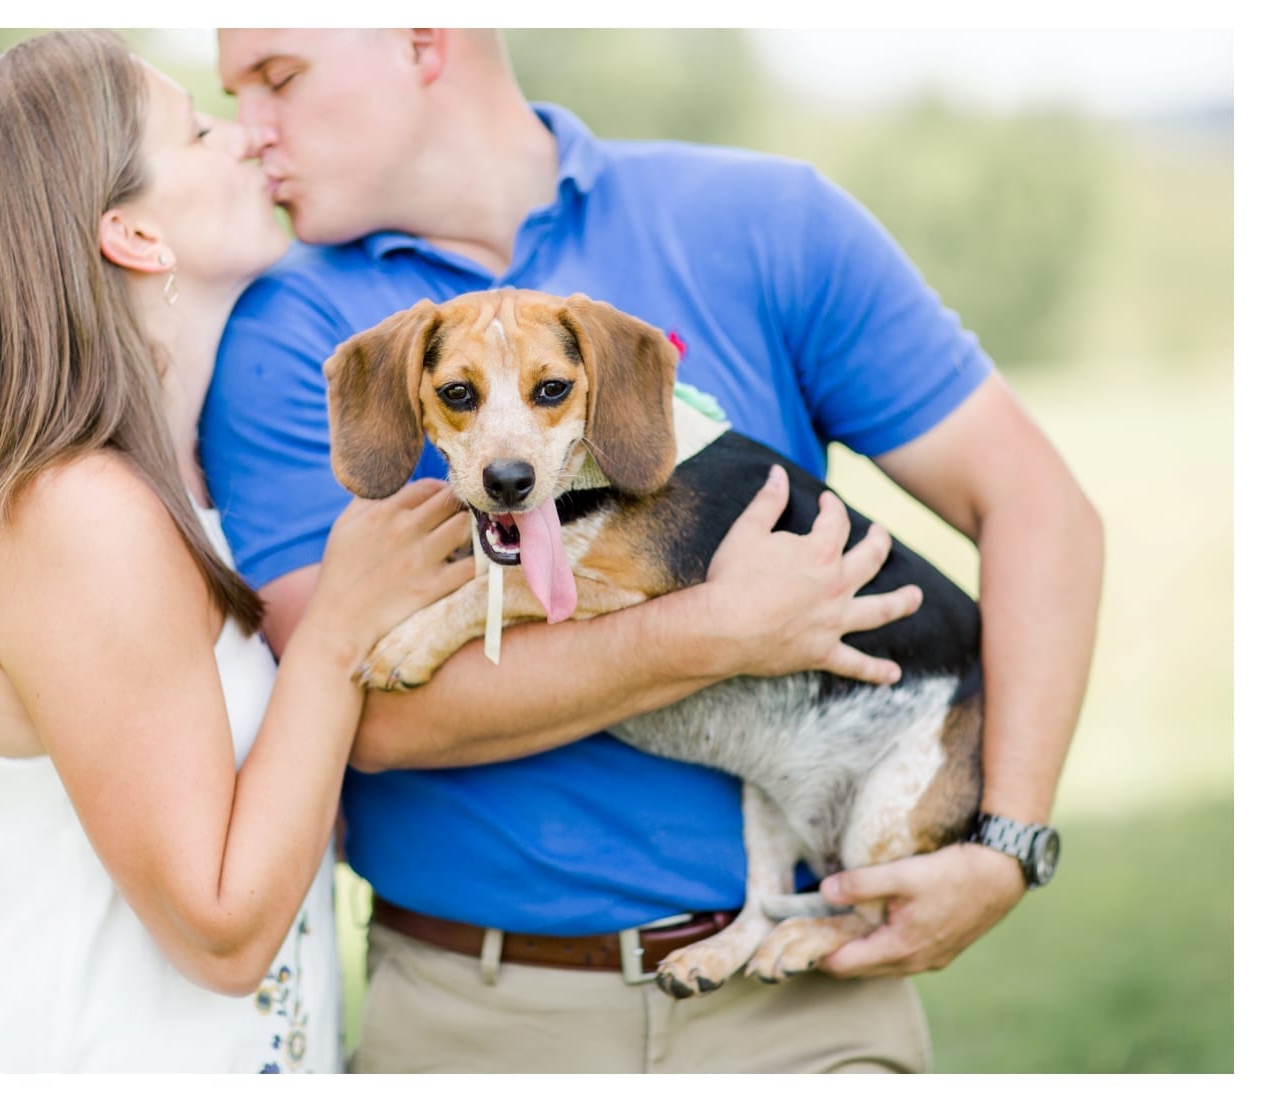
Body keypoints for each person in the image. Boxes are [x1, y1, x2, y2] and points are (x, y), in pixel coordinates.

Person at [201, 28, 1104, 1073]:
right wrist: (718, 630)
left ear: (420, 39)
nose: (245, 132)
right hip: (469, 1017)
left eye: (277, 79)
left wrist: (1009, 842)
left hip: (806, 1011)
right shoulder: (282, 328)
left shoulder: (770, 221)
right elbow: (370, 713)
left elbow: (1041, 508)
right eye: (233, 94)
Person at [0, 29, 478, 1072]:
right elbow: (221, 932)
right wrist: (336, 631)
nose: (243, 139)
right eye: (196, 129)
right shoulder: (78, 517)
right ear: (133, 233)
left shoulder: (170, 497)